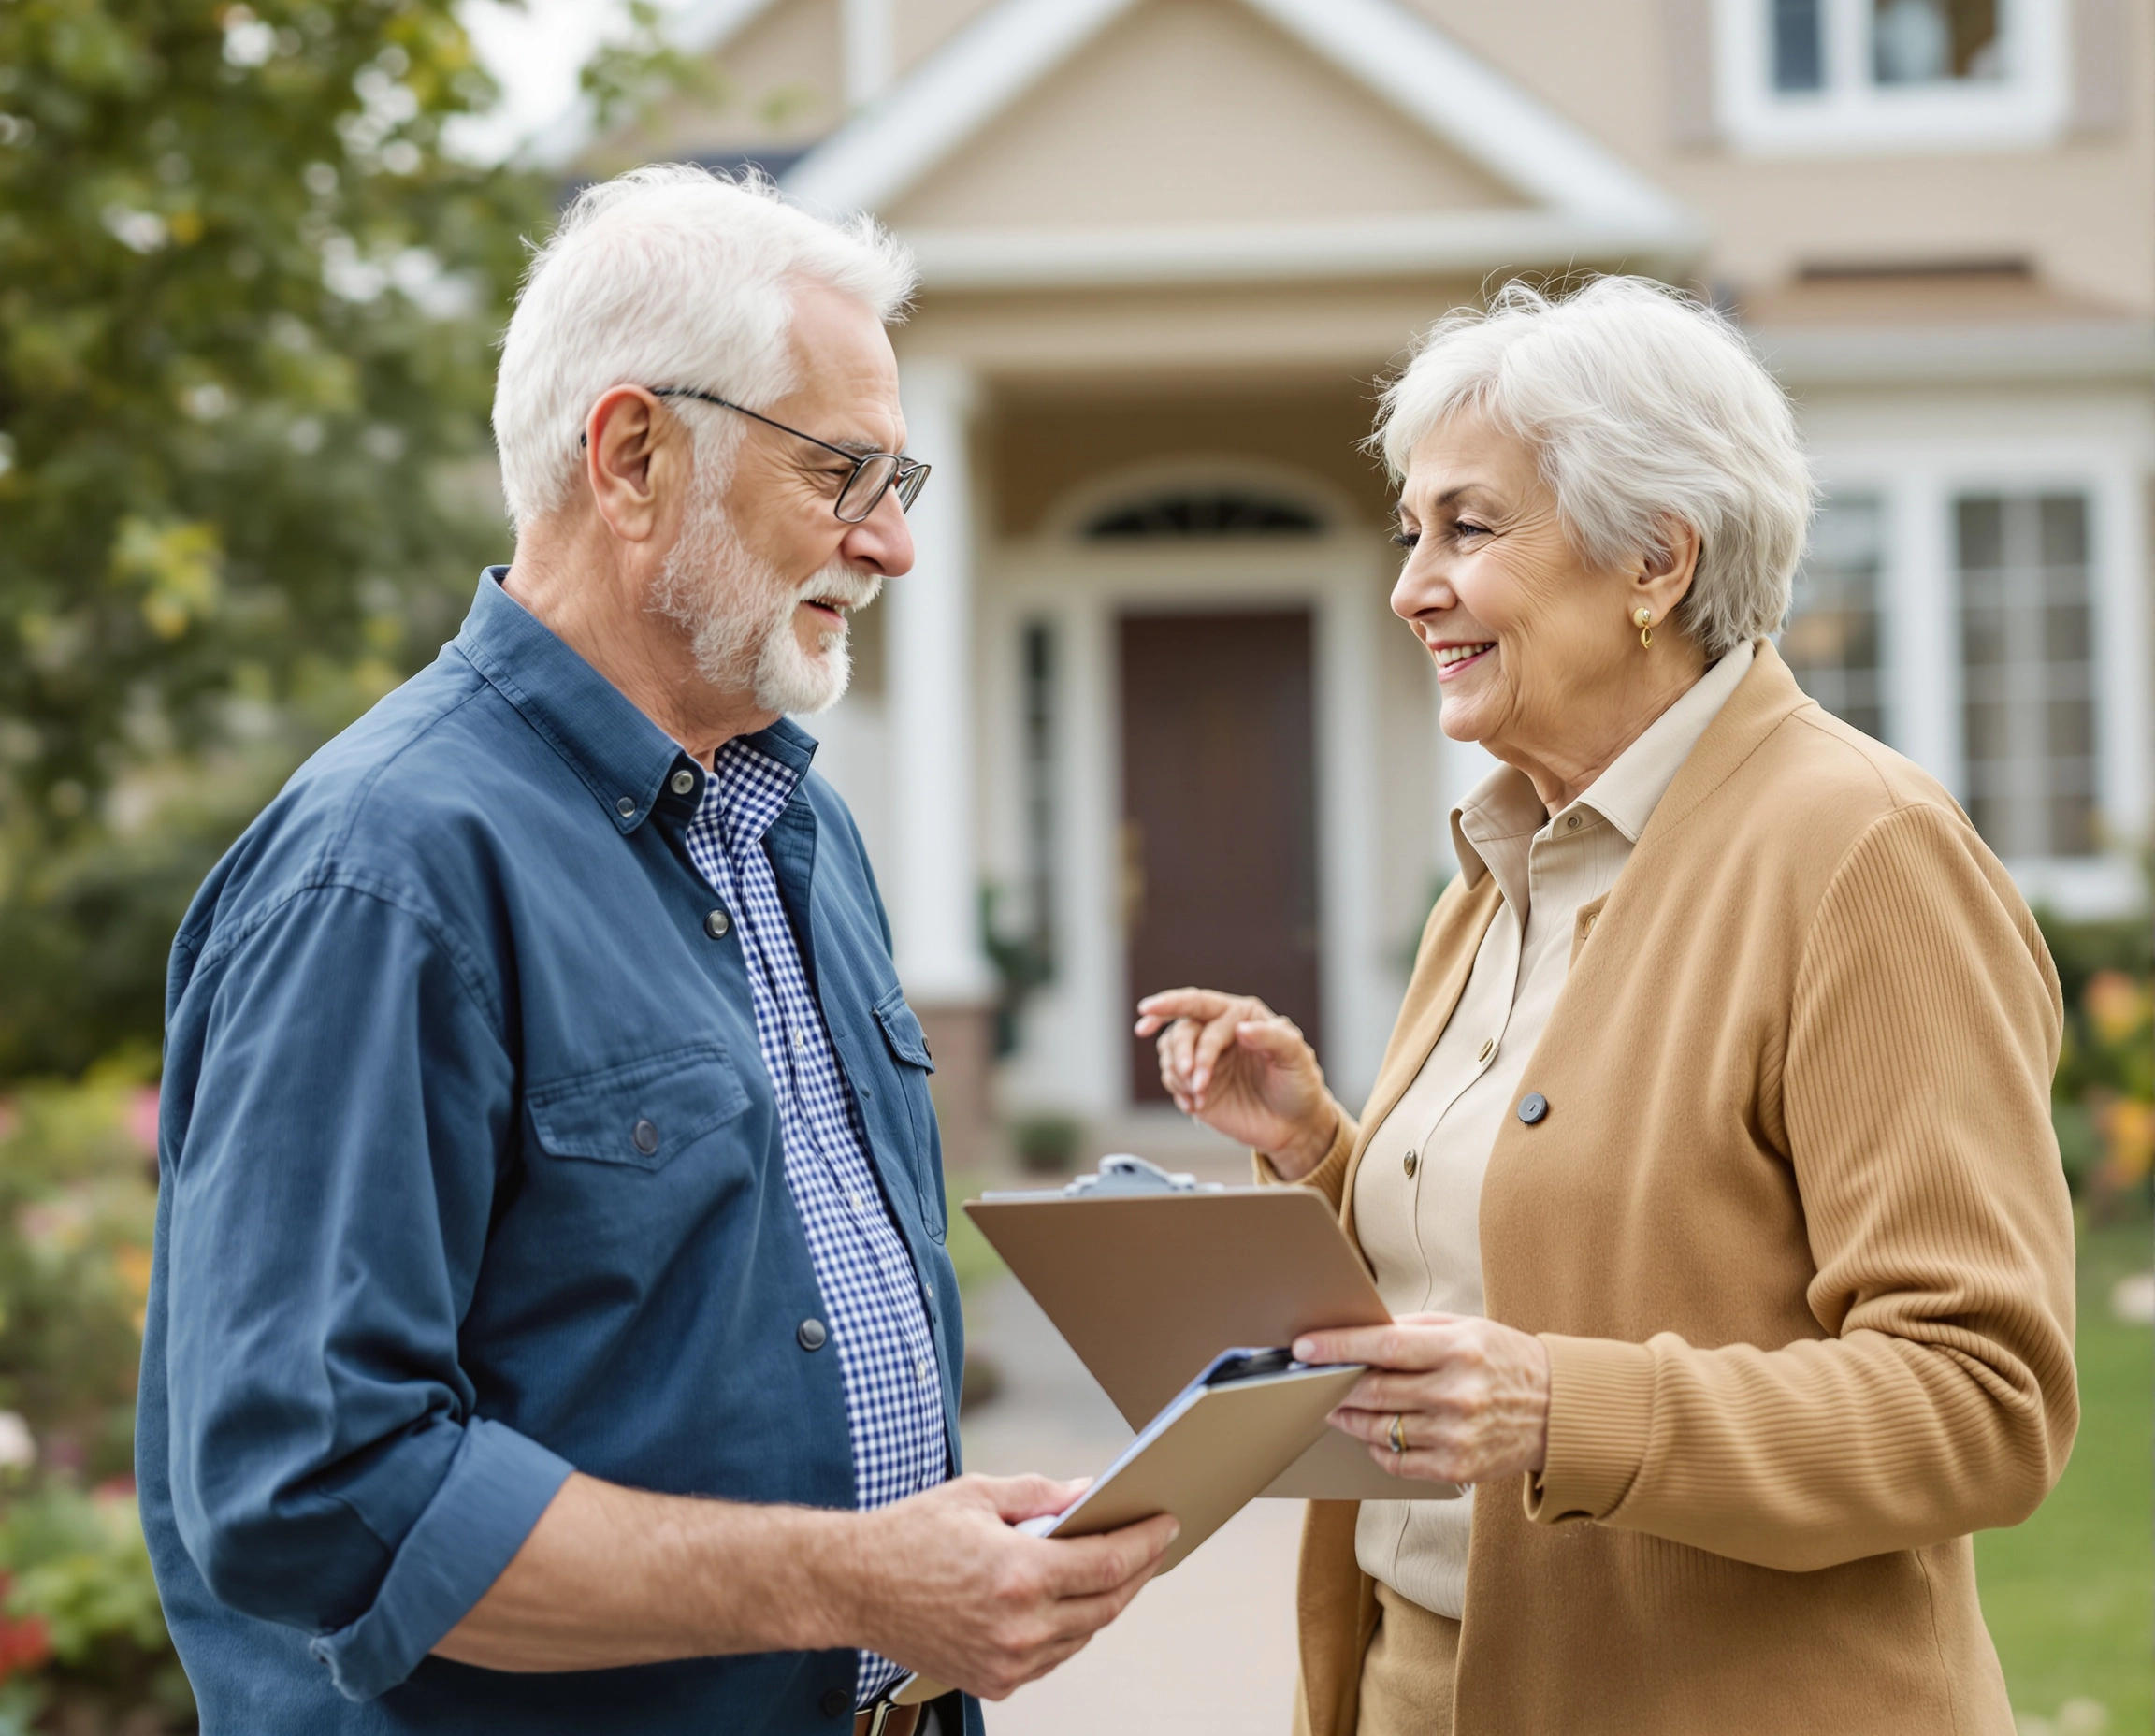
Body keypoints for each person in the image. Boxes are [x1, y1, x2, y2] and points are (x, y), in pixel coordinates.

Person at [137, 166, 1175, 1736]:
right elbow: (317, 1493)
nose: (890, 547)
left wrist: (936, 1577)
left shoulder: (795, 840)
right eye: (844, 474)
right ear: (633, 456)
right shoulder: (382, 872)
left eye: (904, 483)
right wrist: (851, 1580)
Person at [1138, 277, 2075, 1736]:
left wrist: (1564, 1411)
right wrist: (1322, 1150)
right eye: (1409, 531)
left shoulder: (1861, 853)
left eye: (1468, 527)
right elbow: (1501, 1276)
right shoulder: (1501, 865)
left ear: (1654, 557)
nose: (1409, 586)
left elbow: (1982, 1403)